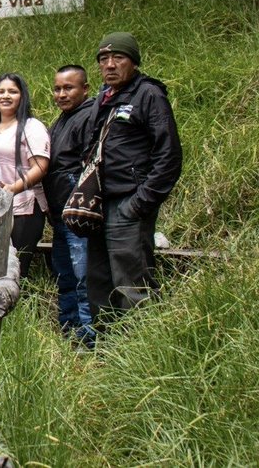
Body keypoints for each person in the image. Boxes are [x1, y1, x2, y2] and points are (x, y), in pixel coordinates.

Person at [84, 32, 182, 325]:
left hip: (129, 203)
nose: (110, 65)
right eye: (104, 59)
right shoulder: (103, 97)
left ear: (134, 62)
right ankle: (106, 353)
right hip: (100, 203)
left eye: (119, 58)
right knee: (98, 279)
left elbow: (169, 156)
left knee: (132, 284)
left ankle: (141, 355)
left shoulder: (149, 94)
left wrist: (140, 203)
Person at [43, 65, 96, 345]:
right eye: (58, 88)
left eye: (69, 88)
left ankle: (88, 337)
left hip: (79, 214)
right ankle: (69, 331)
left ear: (85, 89)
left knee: (82, 277)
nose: (61, 94)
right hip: (60, 213)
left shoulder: (90, 116)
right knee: (65, 275)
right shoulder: (62, 120)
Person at [0, 73, 51, 277]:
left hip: (24, 206)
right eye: (0, 91)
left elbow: (40, 167)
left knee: (16, 267)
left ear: (22, 96)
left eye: (12, 91)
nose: (5, 96)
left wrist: (12, 188)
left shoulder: (32, 126)